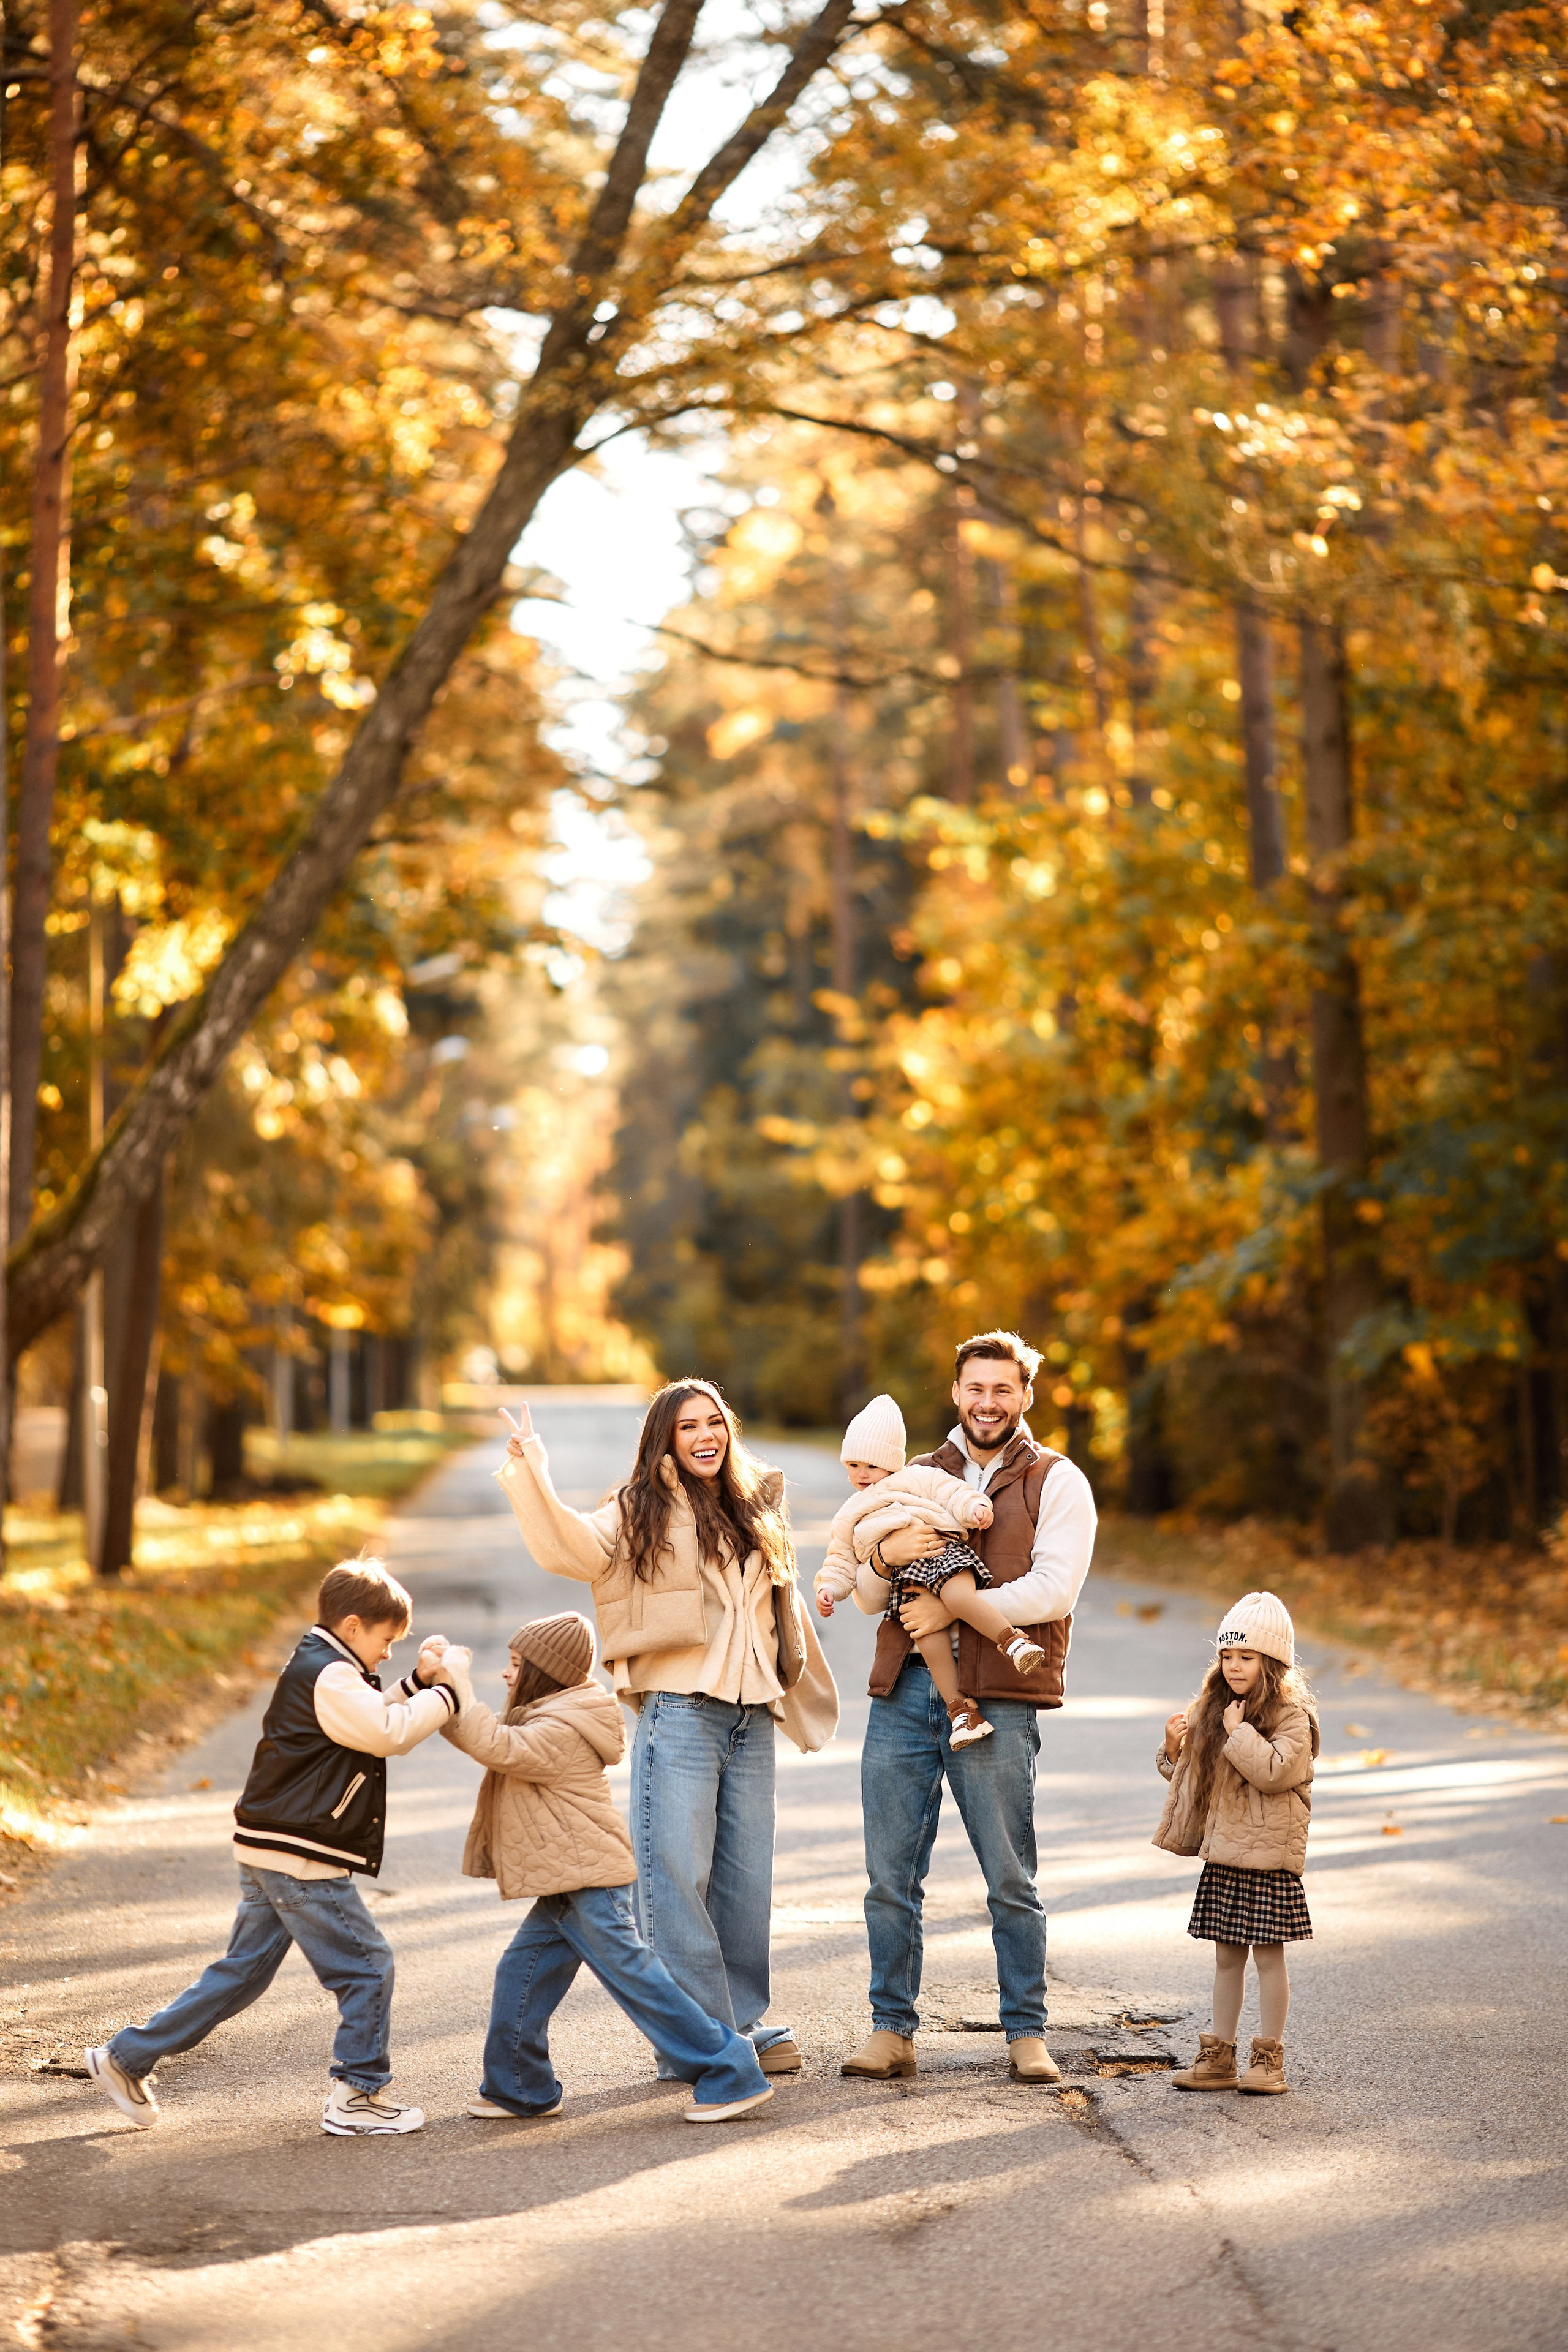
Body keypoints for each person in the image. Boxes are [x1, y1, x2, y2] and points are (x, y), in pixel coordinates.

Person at [494, 1382, 837, 2077]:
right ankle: (698, 2040)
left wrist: (801, 1694)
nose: (705, 1435)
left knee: (744, 1882)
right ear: (666, 1439)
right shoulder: (635, 1512)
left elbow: (781, 1614)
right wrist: (533, 1466)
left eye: (715, 1423)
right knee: (676, 1878)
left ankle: (737, 2023)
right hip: (680, 1712)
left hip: (751, 1716)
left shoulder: (755, 1507)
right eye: (688, 1427)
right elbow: (568, 1549)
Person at [85, 1559, 458, 2136]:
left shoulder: (326, 1664)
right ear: (354, 1627)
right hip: (299, 1856)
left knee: (240, 1974)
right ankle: (356, 2095)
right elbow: (387, 1733)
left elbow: (366, 1716)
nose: (389, 1654)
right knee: (366, 1967)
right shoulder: (331, 1674)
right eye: (387, 1642)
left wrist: (418, 1685)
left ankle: (126, 2057)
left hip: (269, 1849)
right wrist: (449, 1696)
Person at [840, 1331, 1096, 2086]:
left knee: (1009, 1876)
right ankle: (891, 2031)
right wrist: (884, 1561)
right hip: (904, 1693)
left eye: (1002, 1390)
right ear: (955, 1393)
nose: (987, 1403)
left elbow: (1055, 1589)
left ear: (1024, 1397)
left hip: (999, 1701)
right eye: (975, 1388)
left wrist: (954, 1611)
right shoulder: (914, 1474)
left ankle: (1026, 2033)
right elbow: (864, 1593)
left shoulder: (1056, 1480)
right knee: (889, 1878)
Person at [432, 1610, 774, 2123]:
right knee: (520, 1972)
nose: (505, 1674)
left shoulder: (563, 1726)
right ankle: (519, 2086)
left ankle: (732, 2070)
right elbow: (483, 1738)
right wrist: (436, 1689)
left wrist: (458, 1684)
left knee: (637, 1978)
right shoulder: (552, 1711)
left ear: (544, 1671)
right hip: (565, 1877)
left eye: (515, 1663)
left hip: (586, 1879)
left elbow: (497, 1745)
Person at [815, 1392, 1048, 1747]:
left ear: (892, 1464)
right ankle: (963, 1713)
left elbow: (953, 1491)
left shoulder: (914, 1478)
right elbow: (841, 1557)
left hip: (943, 1556)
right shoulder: (850, 1511)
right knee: (924, 1634)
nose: (862, 1475)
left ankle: (1012, 1641)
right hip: (908, 1581)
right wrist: (829, 1587)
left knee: (958, 1598)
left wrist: (975, 1508)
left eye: (871, 1466)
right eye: (853, 1466)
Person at [1154, 1590, 1318, 2097]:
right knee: (1227, 1958)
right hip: (1226, 1856)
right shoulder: (1217, 1711)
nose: (1233, 1666)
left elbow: (1273, 1772)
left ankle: (1268, 2059)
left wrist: (1238, 1731)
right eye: (1226, 1656)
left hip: (1270, 1860)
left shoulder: (1294, 1719)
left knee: (1269, 1957)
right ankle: (1218, 2056)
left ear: (1272, 1663)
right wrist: (1173, 1750)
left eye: (1245, 1657)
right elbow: (1194, 1780)